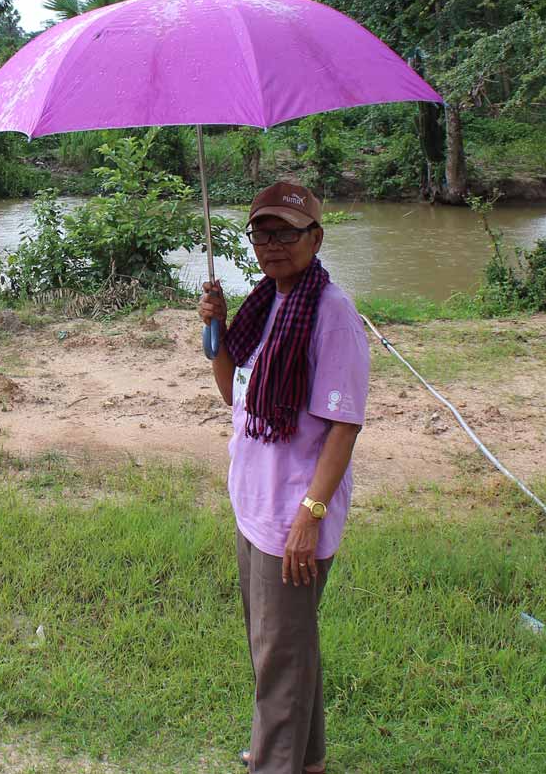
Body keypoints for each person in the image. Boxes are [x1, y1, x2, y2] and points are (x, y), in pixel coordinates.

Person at [198, 181, 369, 774]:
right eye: (263, 234)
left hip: (293, 515)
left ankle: (272, 763)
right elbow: (230, 392)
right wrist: (216, 329)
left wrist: (310, 516)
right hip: (255, 505)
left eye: (287, 234)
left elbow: (344, 427)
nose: (274, 245)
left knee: (278, 660)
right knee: (283, 650)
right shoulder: (265, 304)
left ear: (315, 238)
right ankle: (310, 758)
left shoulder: (332, 315)